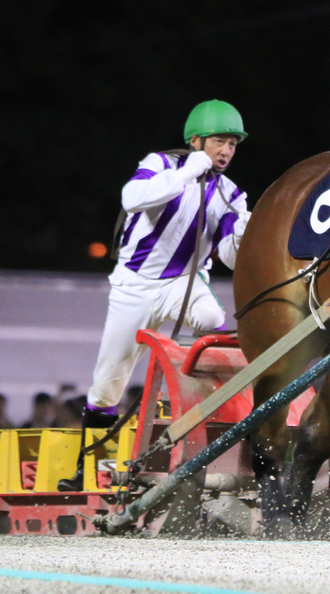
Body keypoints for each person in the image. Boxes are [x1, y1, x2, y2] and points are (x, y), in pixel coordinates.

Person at [58, 100, 251, 491]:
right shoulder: (161, 164)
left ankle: (199, 409)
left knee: (214, 321)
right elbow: (132, 198)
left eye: (232, 143)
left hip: (184, 282)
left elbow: (229, 257)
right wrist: (188, 173)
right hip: (135, 285)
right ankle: (88, 469)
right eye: (219, 141)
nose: (226, 150)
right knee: (107, 382)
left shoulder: (231, 193)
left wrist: (243, 233)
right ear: (195, 141)